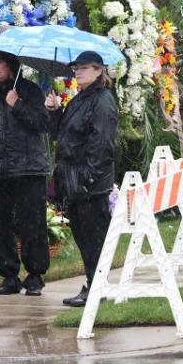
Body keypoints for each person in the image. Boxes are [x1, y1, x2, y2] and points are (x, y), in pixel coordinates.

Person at [0, 50, 51, 296]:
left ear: (12, 66)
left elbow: (42, 123)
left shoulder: (30, 91)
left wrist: (17, 104)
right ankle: (9, 275)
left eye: (0, 63)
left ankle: (35, 274)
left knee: (32, 223)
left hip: (29, 171)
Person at [45, 50, 118, 307]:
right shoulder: (80, 99)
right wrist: (55, 112)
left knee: (93, 237)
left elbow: (102, 145)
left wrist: (88, 179)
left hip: (90, 184)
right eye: (76, 68)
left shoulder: (102, 100)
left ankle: (96, 287)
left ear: (99, 71)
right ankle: (93, 285)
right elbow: (63, 135)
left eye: (84, 68)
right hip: (73, 180)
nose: (78, 72)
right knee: (83, 236)